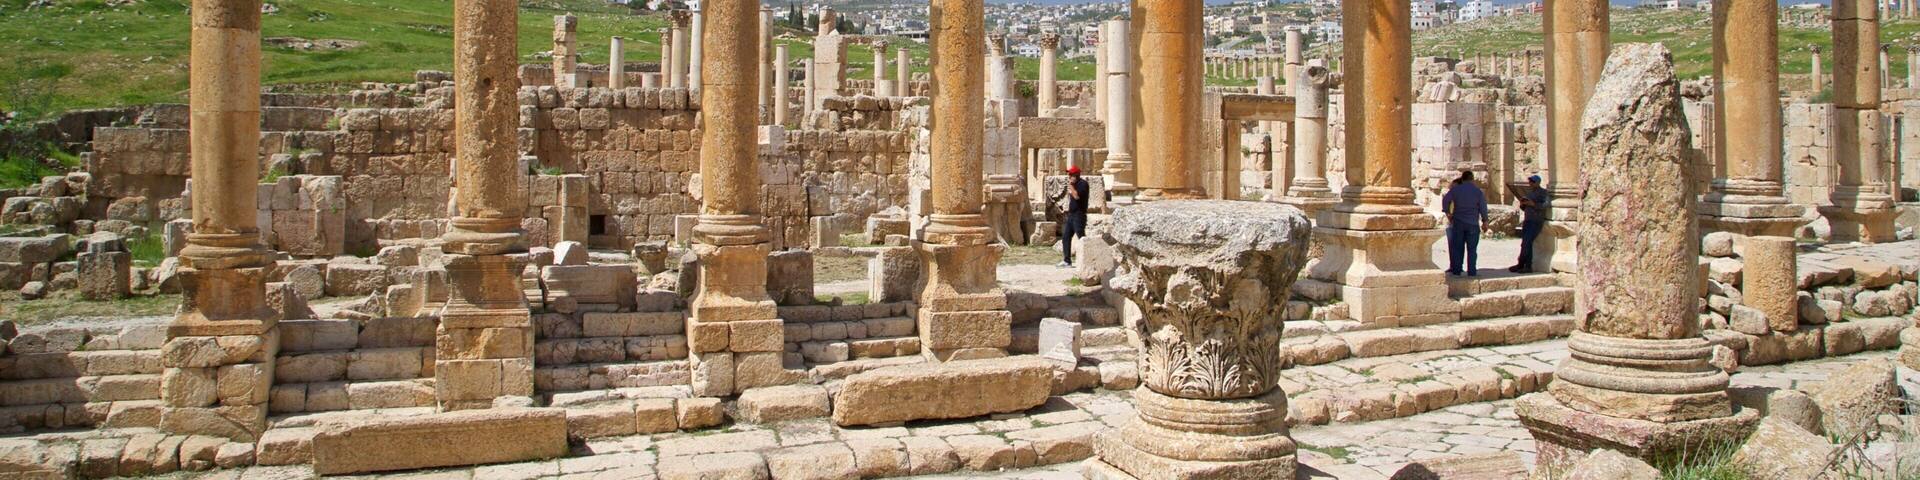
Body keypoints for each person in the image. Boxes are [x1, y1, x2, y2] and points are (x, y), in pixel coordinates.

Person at [1441, 170, 1488, 277]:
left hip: (1458, 221)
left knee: (1458, 247)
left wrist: (1447, 211)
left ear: (1462, 178)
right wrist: (1485, 221)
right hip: (1472, 223)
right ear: (1472, 179)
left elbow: (1445, 200)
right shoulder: (1477, 191)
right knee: (1472, 249)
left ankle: (1457, 270)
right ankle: (1472, 271)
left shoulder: (1456, 190)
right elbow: (1483, 207)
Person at [1511, 175, 1550, 274]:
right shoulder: (1529, 193)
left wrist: (1534, 204)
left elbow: (1546, 204)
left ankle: (1527, 266)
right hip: (1528, 219)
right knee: (1524, 243)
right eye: (1530, 182)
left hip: (1536, 220)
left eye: (1532, 182)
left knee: (1527, 243)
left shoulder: (1543, 192)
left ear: (1537, 182)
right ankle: (1521, 264)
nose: (1530, 184)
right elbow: (1525, 208)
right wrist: (1523, 204)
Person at [1058, 166, 1090, 268]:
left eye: (1071, 175)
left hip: (1079, 215)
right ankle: (1067, 260)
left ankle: (1088, 258)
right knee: (1066, 237)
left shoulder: (1082, 184)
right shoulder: (1075, 184)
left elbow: (1076, 196)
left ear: (1076, 175)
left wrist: (1071, 186)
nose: (1069, 177)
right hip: (1071, 215)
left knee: (1081, 237)